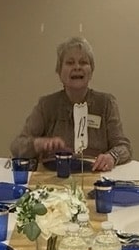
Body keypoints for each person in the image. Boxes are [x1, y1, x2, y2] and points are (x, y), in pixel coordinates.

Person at [10, 36, 131, 171]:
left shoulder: (106, 104)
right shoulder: (46, 105)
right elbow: (17, 146)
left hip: (96, 174)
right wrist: (38, 144)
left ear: (91, 71)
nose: (77, 67)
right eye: (70, 62)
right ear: (59, 71)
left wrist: (112, 156)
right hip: (54, 176)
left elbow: (124, 147)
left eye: (83, 62)